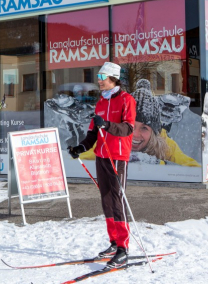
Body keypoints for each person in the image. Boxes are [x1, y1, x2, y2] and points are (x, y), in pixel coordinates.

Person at [67, 62, 136, 269]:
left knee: (117, 201)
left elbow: (128, 128)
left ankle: (124, 249)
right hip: (102, 156)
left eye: (102, 76)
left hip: (118, 157)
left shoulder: (127, 100)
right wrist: (80, 147)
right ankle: (114, 243)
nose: (99, 80)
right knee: (106, 199)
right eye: (98, 76)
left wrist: (106, 124)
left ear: (113, 78)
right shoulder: (100, 103)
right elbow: (93, 133)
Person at [131, 79, 200, 167]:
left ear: (154, 132)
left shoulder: (165, 146)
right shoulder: (110, 138)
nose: (135, 134)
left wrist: (160, 164)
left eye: (144, 128)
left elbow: (195, 168)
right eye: (131, 125)